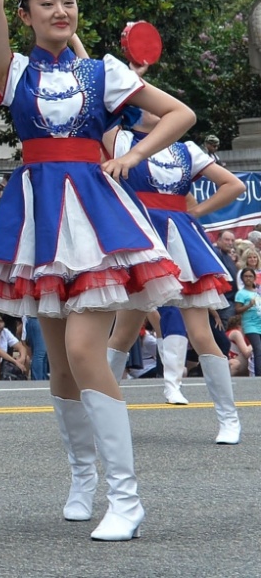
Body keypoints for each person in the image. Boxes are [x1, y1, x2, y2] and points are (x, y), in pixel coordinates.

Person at [0, 0, 192, 543]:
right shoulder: (11, 73)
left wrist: (132, 157)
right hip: (39, 217)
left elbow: (179, 114)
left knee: (80, 347)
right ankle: (81, 476)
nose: (61, 10)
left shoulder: (105, 72)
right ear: (28, 14)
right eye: (48, 3)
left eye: (68, 2)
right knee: (59, 366)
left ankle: (126, 498)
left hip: (95, 218)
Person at [102, 105, 242, 444]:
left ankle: (229, 420)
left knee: (201, 334)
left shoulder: (187, 150)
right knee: (123, 332)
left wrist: (193, 212)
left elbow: (233, 185)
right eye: (147, 106)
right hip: (142, 239)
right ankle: (101, 419)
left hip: (180, 240)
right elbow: (105, 106)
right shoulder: (122, 141)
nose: (155, 111)